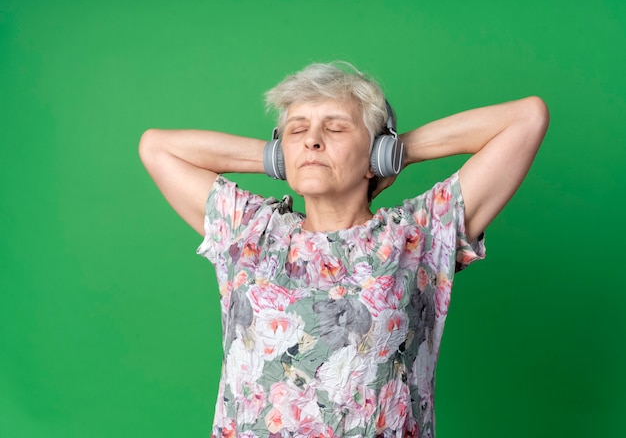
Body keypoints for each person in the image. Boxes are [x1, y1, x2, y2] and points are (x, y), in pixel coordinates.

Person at [139, 62, 549, 438]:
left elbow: (526, 118)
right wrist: (280, 157)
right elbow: (157, 147)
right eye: (297, 130)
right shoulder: (250, 232)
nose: (312, 141)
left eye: (335, 128)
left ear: (374, 154)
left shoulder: (418, 235)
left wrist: (397, 151)